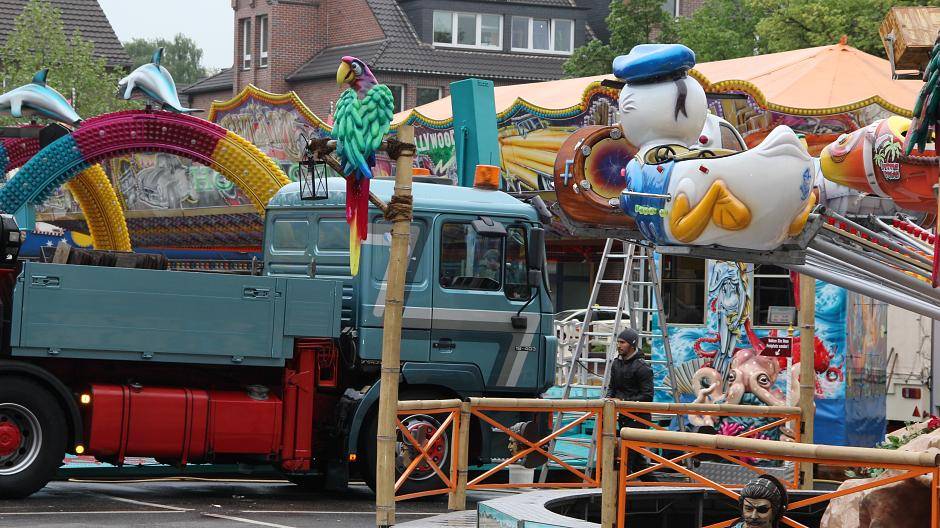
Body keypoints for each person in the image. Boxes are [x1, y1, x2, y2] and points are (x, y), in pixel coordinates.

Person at [605, 327, 653, 477]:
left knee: (626, 458)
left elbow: (648, 396)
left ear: (632, 344)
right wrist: (608, 401)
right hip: (623, 416)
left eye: (622, 342)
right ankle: (653, 485)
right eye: (618, 342)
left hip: (638, 418)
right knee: (637, 461)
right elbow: (612, 387)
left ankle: (620, 488)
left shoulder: (642, 367)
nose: (619, 345)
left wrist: (622, 402)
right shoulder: (616, 364)